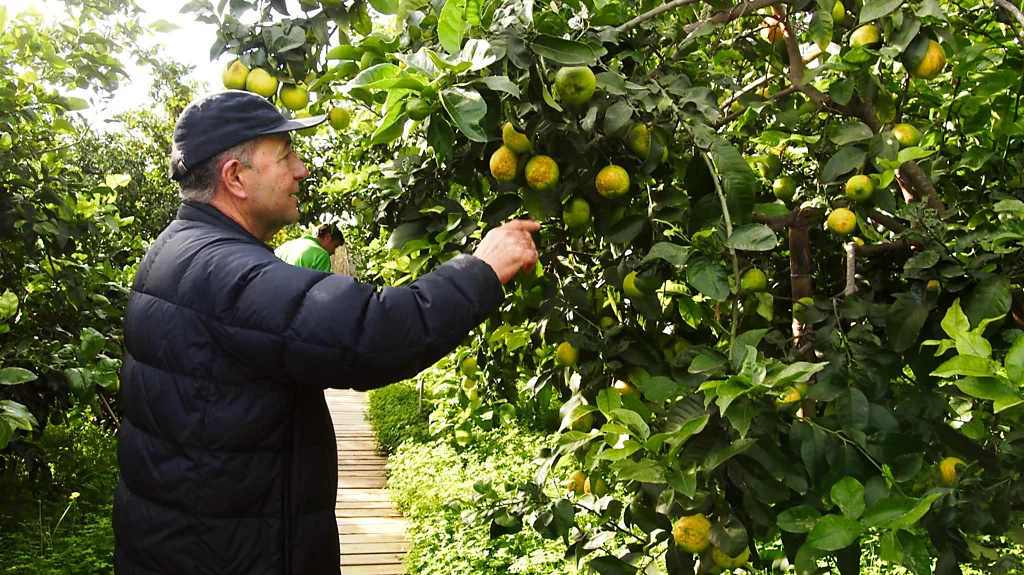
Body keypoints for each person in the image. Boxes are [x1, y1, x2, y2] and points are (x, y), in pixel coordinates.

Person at [113, 90, 540, 575]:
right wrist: (481, 271)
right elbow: (368, 334)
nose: (302, 170)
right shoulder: (224, 270)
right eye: (286, 156)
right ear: (235, 178)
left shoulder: (178, 248)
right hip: (229, 554)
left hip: (195, 542)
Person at [275, 222, 345, 272]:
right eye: (335, 246)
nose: (333, 252)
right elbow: (319, 290)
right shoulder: (321, 255)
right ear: (327, 237)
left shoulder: (284, 247)